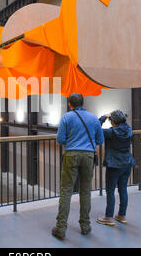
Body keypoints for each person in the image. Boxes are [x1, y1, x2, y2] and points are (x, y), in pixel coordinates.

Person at [52, 93, 104, 240]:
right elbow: (100, 139)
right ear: (83, 103)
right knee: (85, 191)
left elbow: (60, 139)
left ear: (70, 104)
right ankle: (85, 226)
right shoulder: (94, 118)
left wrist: (73, 139)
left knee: (66, 191)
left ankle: (61, 228)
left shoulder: (66, 117)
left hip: (71, 155)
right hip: (88, 156)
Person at [96, 110, 136, 226]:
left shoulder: (110, 132)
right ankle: (121, 215)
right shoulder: (129, 130)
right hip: (127, 163)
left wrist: (103, 117)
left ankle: (108, 217)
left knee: (110, 191)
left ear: (113, 122)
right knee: (123, 189)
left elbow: (96, 128)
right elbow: (123, 122)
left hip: (114, 165)